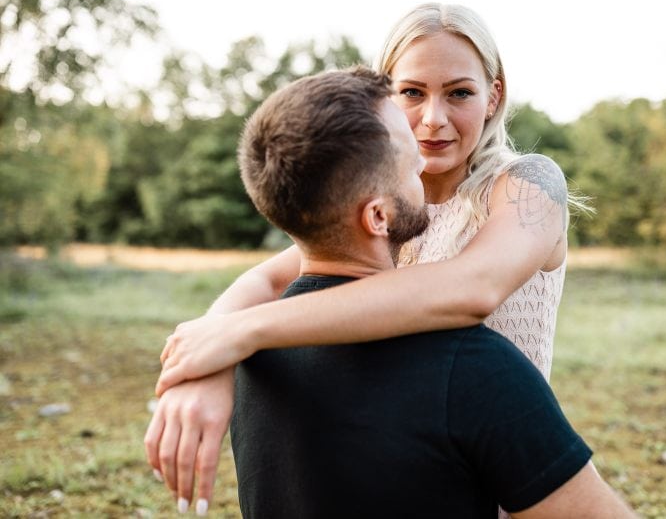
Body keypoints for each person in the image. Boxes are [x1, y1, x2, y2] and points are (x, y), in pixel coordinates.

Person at [146, 3, 588, 514]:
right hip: (412, 469)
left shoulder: (526, 184)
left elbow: (475, 288)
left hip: (516, 475)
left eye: (460, 93)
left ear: (495, 95)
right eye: (412, 93)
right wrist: (205, 364)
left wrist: (243, 333)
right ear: (385, 95)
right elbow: (268, 281)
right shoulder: (387, 201)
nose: (434, 119)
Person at [211, 66, 636, 517]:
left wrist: (218, 343)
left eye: (458, 93)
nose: (428, 131)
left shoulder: (252, 362)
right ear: (378, 218)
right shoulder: (475, 368)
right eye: (409, 162)